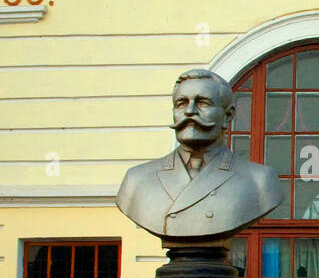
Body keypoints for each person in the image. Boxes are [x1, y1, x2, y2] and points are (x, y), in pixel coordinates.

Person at [116, 69, 284, 241]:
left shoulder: (259, 180)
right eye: (181, 103)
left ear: (228, 115)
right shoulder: (137, 179)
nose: (189, 111)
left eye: (203, 103)